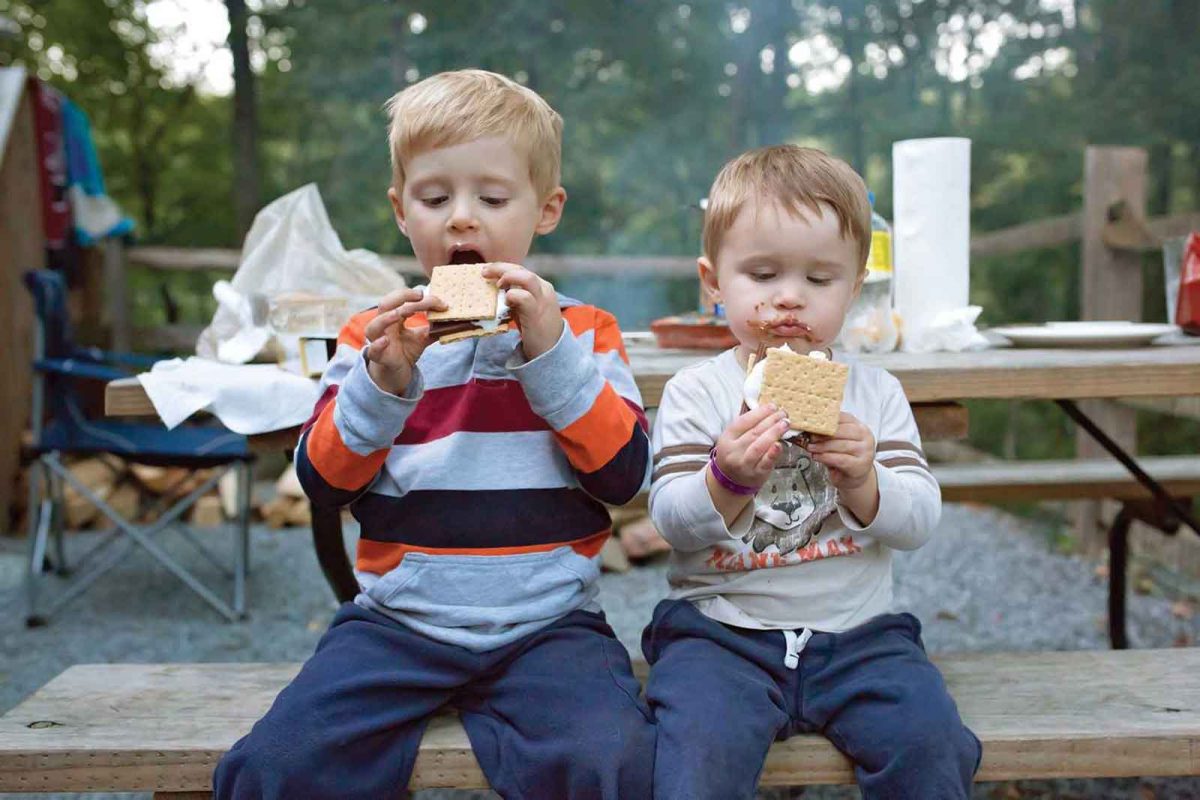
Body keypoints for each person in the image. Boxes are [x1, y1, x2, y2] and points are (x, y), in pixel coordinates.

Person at [214, 69, 654, 800]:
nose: (461, 219)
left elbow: (625, 477)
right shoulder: (371, 338)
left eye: (491, 197)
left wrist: (550, 357)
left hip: (549, 626)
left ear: (545, 211)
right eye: (435, 197)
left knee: (615, 760)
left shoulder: (583, 332)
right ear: (399, 210)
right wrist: (381, 387)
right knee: (274, 766)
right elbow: (324, 485)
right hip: (396, 623)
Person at [644, 144, 981, 799]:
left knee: (931, 746)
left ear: (854, 290)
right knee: (694, 760)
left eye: (820, 280)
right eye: (763, 274)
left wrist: (865, 481)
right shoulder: (697, 392)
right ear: (714, 284)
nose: (790, 299)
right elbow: (672, 524)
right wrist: (726, 478)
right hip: (721, 634)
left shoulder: (875, 394)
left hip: (860, 637)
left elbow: (918, 522)